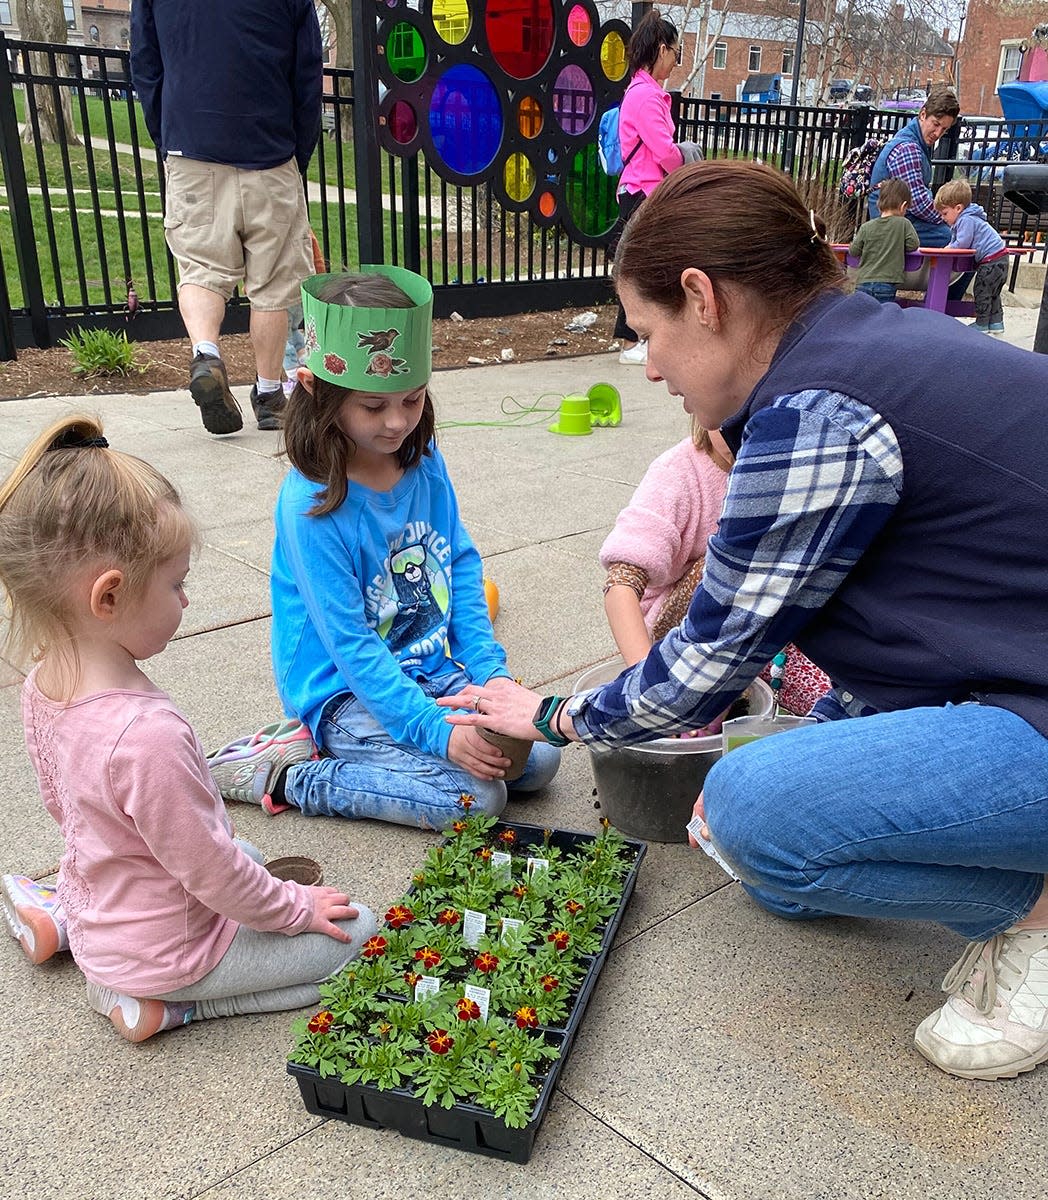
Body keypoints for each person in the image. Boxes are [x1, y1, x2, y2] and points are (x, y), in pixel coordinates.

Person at [440, 159, 1048, 1084]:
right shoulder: (863, 350)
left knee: (751, 808)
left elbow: (706, 663)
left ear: (702, 297)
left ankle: (1036, 922)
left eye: (648, 332)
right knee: (777, 861)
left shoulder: (817, 410)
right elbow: (922, 617)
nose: (647, 367)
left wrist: (553, 716)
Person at [0, 415, 375, 1041]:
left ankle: (64, 920)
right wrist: (294, 909)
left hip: (106, 903)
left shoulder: (42, 682)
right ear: (109, 597)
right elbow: (212, 875)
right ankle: (162, 1004)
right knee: (358, 937)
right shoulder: (146, 733)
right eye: (177, 585)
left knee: (246, 852)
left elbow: (72, 811)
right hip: (167, 955)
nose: (187, 601)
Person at [207, 266, 560, 830]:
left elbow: (460, 564)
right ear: (318, 392)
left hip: (427, 666)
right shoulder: (312, 504)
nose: (397, 422)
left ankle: (421, 741)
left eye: (412, 400)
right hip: (344, 693)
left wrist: (491, 676)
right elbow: (351, 646)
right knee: (476, 801)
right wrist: (439, 734)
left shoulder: (423, 463)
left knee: (537, 760)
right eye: (373, 408)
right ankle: (289, 774)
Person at [130, 0, 323, 435]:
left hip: (191, 144)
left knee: (201, 268)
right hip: (270, 148)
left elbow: (146, 65)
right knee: (274, 282)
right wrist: (296, 151)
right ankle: (271, 394)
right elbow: (307, 75)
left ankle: (206, 354)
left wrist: (171, 135)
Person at [599, 420, 830, 719]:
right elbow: (621, 583)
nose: (747, 431)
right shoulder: (676, 474)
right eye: (733, 417)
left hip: (767, 620)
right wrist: (649, 688)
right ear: (699, 408)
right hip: (683, 633)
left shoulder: (785, 464)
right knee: (729, 553)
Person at [611, 9, 686, 366]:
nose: (675, 62)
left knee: (640, 265)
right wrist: (687, 165)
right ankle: (630, 341)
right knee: (643, 266)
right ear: (661, 49)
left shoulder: (640, 91)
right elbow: (664, 151)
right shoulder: (646, 96)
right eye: (675, 53)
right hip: (645, 191)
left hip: (639, 190)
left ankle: (634, 339)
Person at [867, 84, 971, 303]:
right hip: (894, 226)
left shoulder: (915, 143)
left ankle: (941, 306)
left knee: (967, 239)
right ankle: (943, 309)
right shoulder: (908, 149)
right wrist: (955, 220)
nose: (938, 133)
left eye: (944, 129)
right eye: (936, 125)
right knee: (965, 242)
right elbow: (919, 203)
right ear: (923, 114)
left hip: (901, 223)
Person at [935, 178, 1009, 334]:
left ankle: (982, 324)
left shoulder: (966, 220)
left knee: (982, 290)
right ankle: (996, 322)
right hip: (1001, 258)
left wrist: (947, 249)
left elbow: (962, 243)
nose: (943, 218)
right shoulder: (971, 218)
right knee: (993, 293)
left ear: (958, 208)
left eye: (945, 213)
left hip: (990, 261)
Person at [847, 177, 919, 304]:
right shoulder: (903, 224)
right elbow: (913, 245)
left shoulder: (866, 227)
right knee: (882, 318)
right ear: (903, 206)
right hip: (887, 284)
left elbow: (854, 251)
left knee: (863, 317)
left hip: (863, 282)